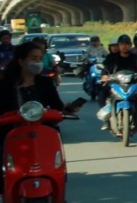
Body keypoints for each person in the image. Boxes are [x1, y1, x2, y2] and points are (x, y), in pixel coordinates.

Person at [0, 42, 82, 192]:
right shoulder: (6, 84)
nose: (37, 62)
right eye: (33, 58)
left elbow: (57, 107)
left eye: (39, 58)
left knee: (54, 162)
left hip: (42, 131)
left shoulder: (44, 82)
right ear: (21, 61)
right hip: (11, 131)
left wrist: (67, 110)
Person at [100, 34, 137, 130]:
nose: (124, 46)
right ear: (118, 45)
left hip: (132, 84)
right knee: (102, 93)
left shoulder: (135, 58)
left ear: (130, 45)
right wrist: (105, 76)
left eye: (127, 44)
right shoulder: (111, 58)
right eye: (122, 44)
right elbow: (105, 70)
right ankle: (106, 120)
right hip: (115, 84)